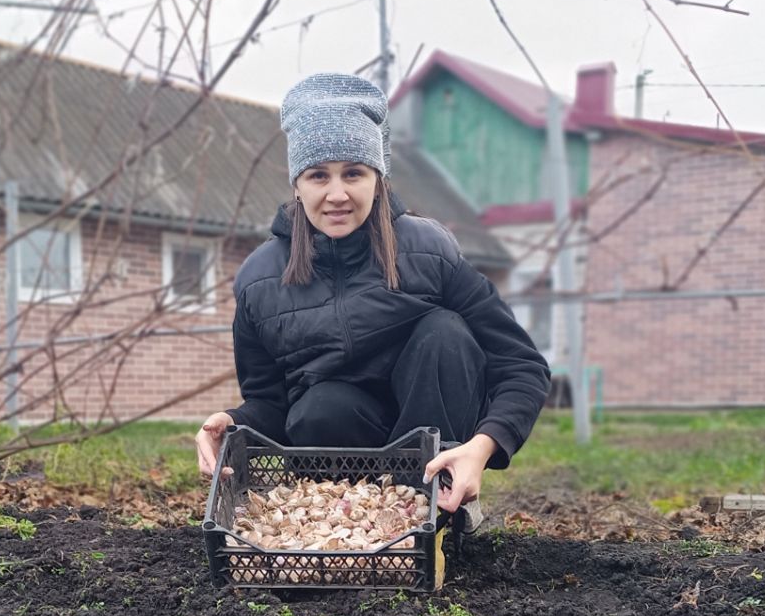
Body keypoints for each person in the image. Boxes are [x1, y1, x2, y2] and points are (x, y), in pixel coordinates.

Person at [193, 72, 550, 524]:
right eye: (318, 175)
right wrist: (232, 421)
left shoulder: (429, 251)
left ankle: (434, 515)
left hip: (429, 431)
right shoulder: (260, 280)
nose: (337, 194)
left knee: (446, 334)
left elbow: (522, 365)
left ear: (377, 180)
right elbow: (272, 404)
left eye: (354, 173)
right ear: (297, 184)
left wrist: (482, 446)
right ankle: (340, 532)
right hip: (334, 463)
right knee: (321, 405)